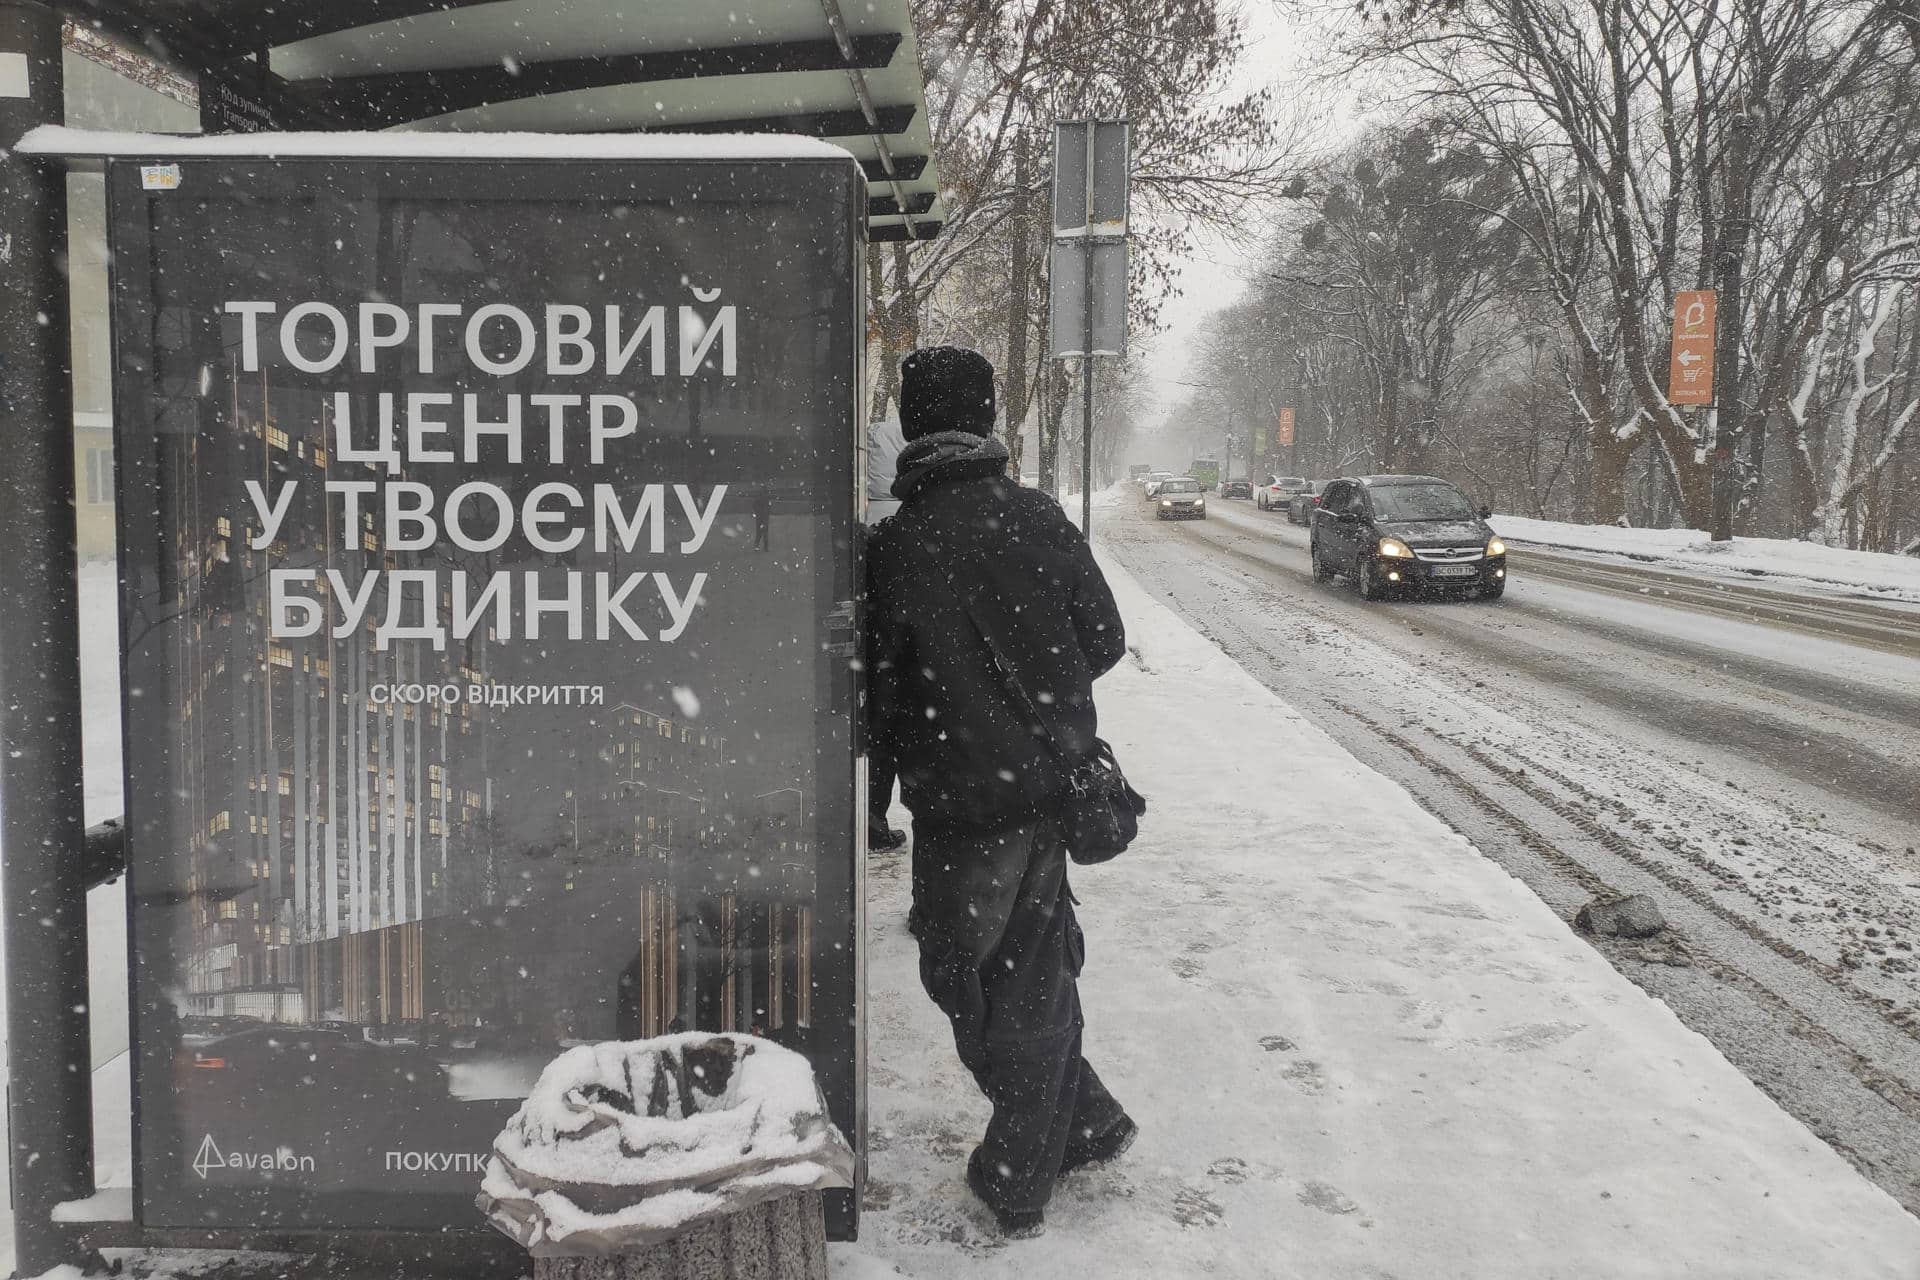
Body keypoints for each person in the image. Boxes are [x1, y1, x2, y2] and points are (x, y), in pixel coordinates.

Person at [865, 346, 1135, 1239]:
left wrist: (934, 727)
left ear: (911, 425)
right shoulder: (1038, 519)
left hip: (960, 806)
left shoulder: (895, 546)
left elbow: (876, 694)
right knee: (1028, 966)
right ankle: (1085, 1119)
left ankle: (1021, 1168)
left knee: (971, 977)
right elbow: (1101, 639)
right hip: (1048, 791)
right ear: (985, 422)